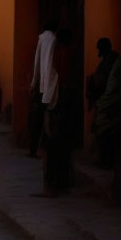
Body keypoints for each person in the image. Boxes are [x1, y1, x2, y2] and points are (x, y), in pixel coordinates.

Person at [88, 38, 121, 201]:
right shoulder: (109, 61)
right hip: (108, 103)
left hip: (111, 104)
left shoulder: (113, 62)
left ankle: (107, 160)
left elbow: (107, 84)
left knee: (105, 131)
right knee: (105, 131)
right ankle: (106, 159)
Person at [40, 29, 75, 197]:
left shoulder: (54, 55)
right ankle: (58, 182)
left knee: (53, 145)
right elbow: (64, 77)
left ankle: (52, 181)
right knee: (60, 146)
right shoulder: (65, 55)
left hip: (53, 103)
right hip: (61, 104)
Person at [28, 22, 58, 159]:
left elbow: (37, 62)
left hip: (41, 85)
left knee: (37, 119)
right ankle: (45, 148)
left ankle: (33, 148)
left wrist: (34, 82)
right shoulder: (53, 40)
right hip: (49, 87)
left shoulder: (42, 39)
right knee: (47, 118)